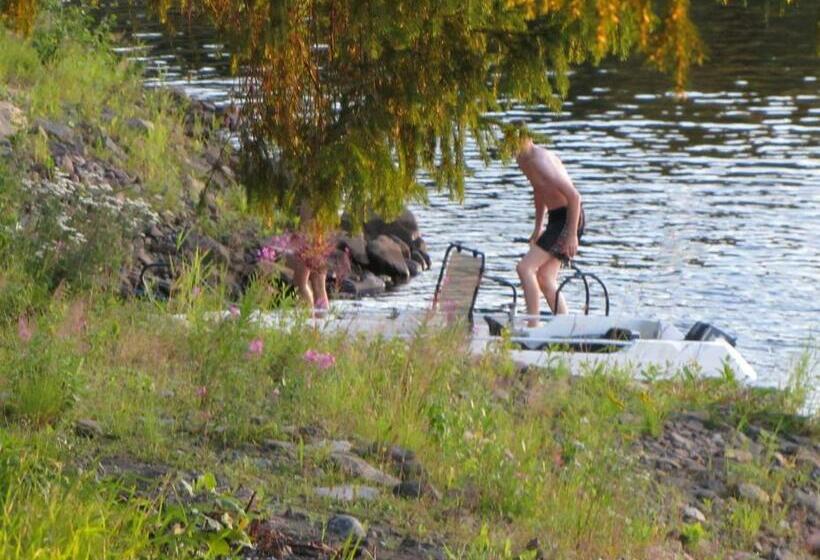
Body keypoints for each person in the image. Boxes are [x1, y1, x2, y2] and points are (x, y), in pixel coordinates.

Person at [515, 132, 585, 325]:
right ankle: (565, 326)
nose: (515, 151)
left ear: (528, 140)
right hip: (556, 218)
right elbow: (539, 191)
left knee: (525, 268)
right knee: (545, 278)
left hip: (569, 217)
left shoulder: (540, 160)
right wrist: (538, 227)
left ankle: (533, 326)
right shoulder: (523, 160)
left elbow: (574, 197)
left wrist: (572, 235)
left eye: (518, 143)